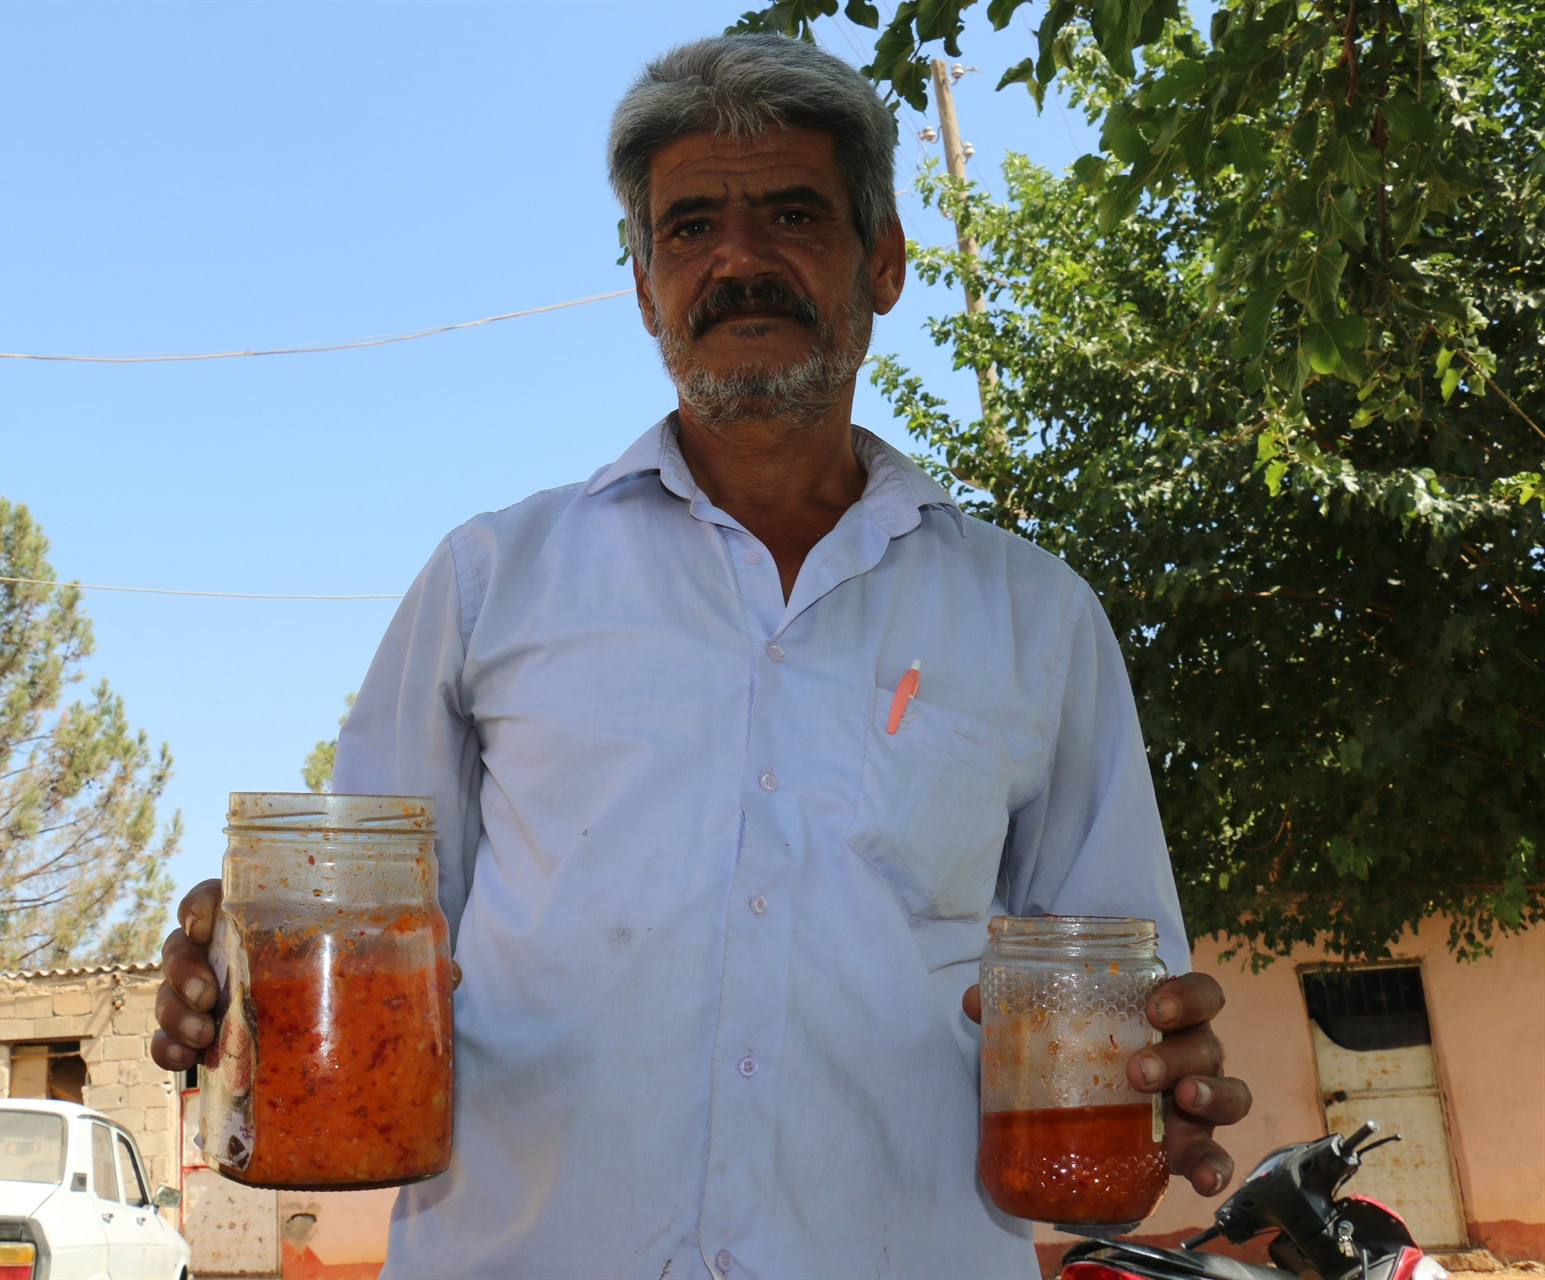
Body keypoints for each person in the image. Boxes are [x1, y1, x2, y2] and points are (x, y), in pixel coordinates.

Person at [154, 34, 1251, 1278]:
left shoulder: (1035, 617)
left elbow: (1119, 987)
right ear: (642, 285)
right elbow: (342, 923)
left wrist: (1163, 1068)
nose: (737, 259)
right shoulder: (487, 584)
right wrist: (242, 977)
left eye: (791, 213)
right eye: (687, 229)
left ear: (881, 260)